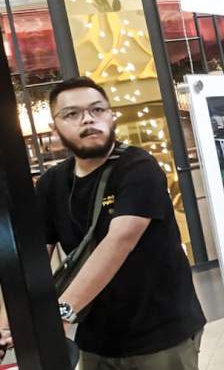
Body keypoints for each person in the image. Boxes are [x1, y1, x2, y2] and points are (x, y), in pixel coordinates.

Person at [0, 77, 206, 368]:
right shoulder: (51, 183)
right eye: (72, 114)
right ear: (54, 129)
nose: (88, 119)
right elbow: (32, 256)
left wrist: (62, 311)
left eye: (98, 110)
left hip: (160, 332)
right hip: (95, 338)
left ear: (111, 116)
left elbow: (120, 240)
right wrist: (8, 323)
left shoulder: (138, 167)